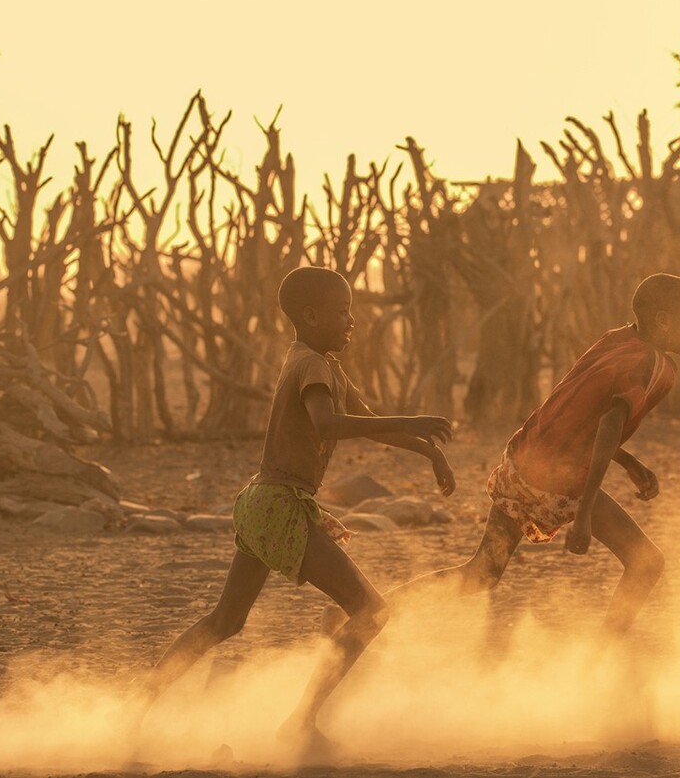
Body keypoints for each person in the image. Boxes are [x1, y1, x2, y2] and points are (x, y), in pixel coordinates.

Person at [138, 266, 455, 752]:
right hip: (279, 505)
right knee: (371, 610)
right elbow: (327, 424)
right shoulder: (312, 365)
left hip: (262, 501)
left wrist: (427, 450)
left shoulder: (316, 361)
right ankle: (301, 723)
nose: (351, 322)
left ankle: (138, 706)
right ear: (310, 316)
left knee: (226, 620)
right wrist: (412, 418)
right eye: (343, 312)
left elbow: (368, 425)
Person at [389, 273, 680, 638]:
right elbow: (606, 427)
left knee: (481, 574)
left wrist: (630, 463)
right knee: (646, 563)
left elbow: (584, 416)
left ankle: (368, 611)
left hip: (525, 460)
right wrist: (583, 514)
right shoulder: (648, 364)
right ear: (663, 321)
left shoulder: (620, 339)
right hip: (559, 479)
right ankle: (600, 662)